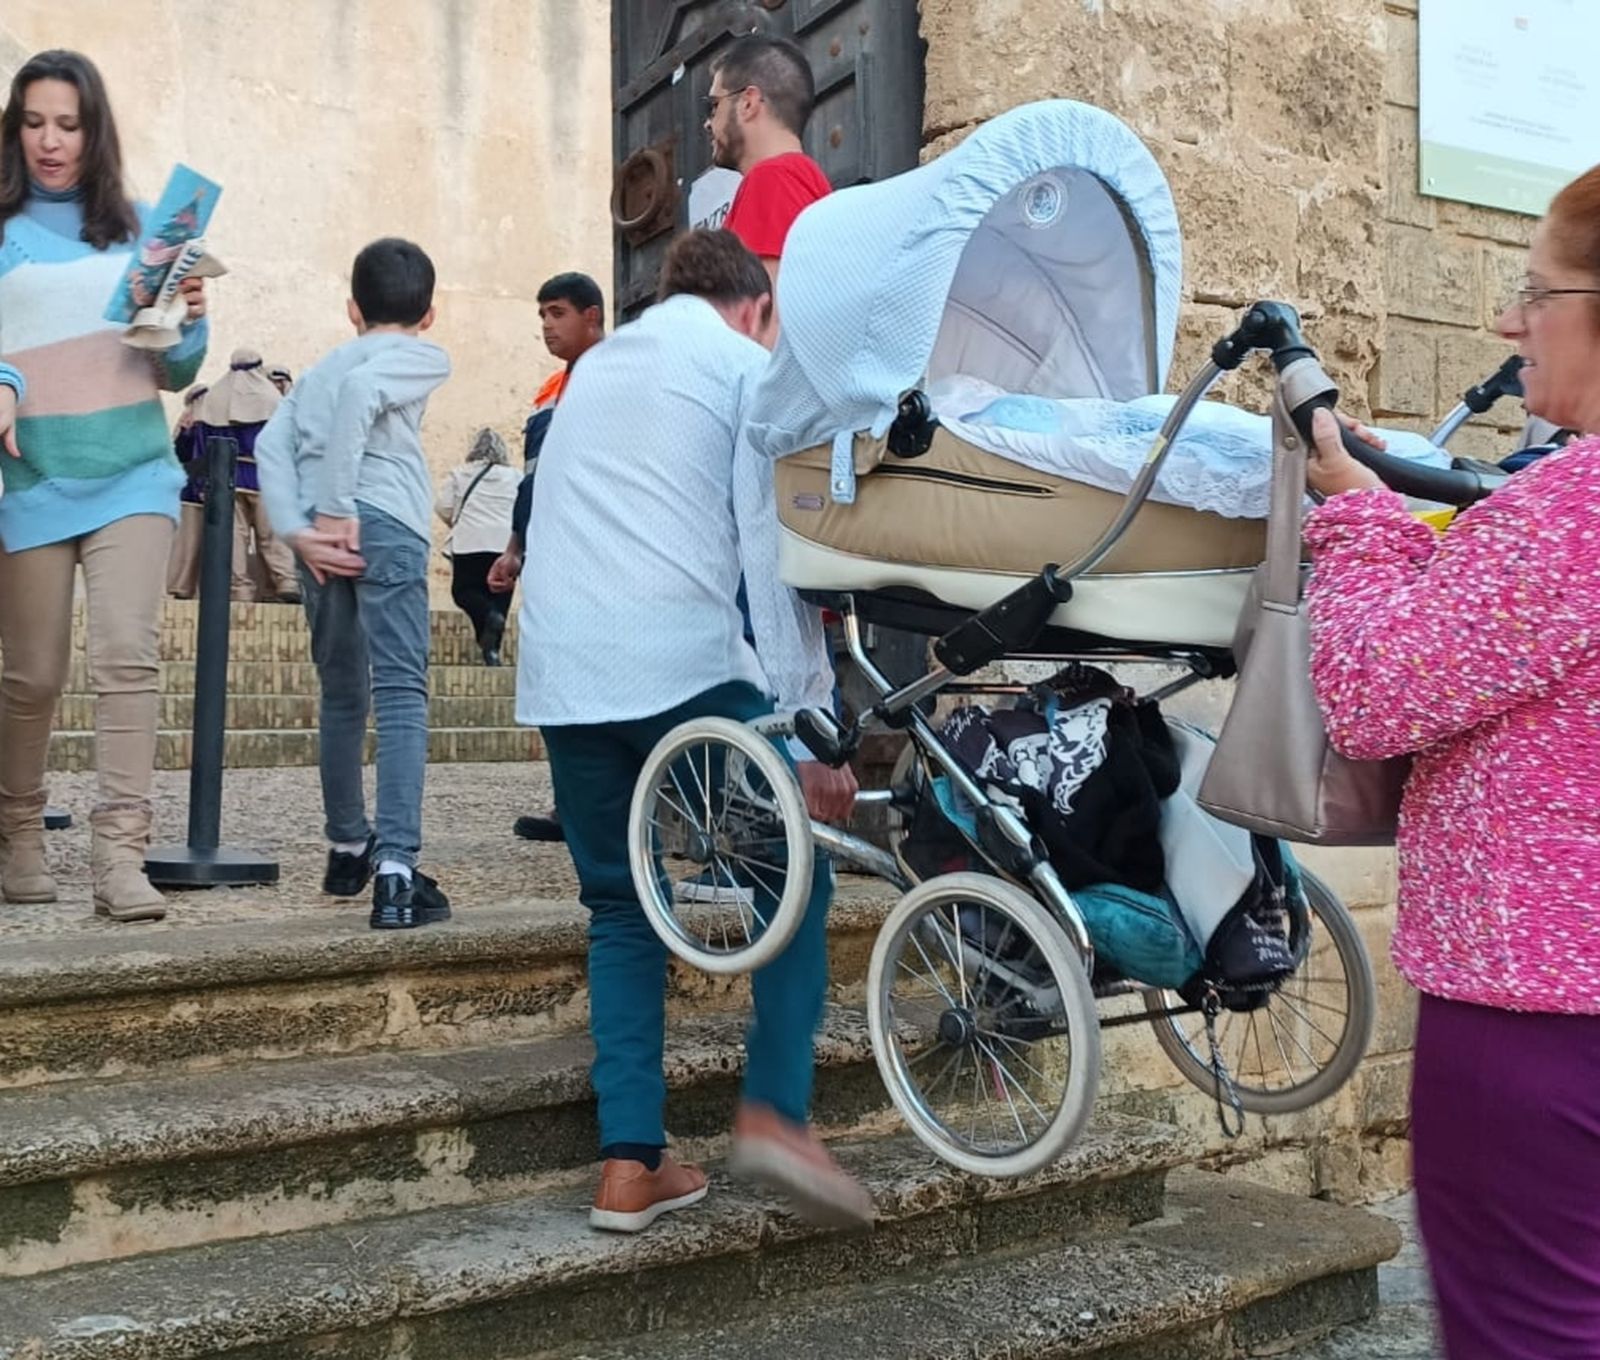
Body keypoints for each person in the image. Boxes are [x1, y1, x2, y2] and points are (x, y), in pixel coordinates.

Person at [1303, 164, 1600, 1360]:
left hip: (1535, 1025)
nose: (1505, 322)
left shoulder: (1572, 513)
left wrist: (1356, 513)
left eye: (1535, 291)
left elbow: (1374, 694)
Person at [517, 228, 869, 1234]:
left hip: (565, 672)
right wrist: (810, 735)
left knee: (622, 907)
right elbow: (769, 556)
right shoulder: (740, 368)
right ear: (759, 307)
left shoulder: (592, 371)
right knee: (791, 881)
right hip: (681, 663)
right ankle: (776, 1113)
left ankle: (629, 1163)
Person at [0, 50, 209, 923]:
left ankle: (121, 854)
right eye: (34, 122)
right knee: (32, 675)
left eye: (69, 123)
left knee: (128, 657)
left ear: (95, 130)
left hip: (133, 471)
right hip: (30, 474)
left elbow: (176, 370)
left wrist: (189, 317)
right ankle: (15, 835)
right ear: (16, 129)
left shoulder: (142, 229)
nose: (51, 142)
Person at [255, 238, 453, 931]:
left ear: (351, 309)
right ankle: (396, 869)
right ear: (429, 314)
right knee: (401, 693)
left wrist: (300, 527)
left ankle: (347, 847)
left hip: (318, 538)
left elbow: (268, 446)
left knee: (342, 691)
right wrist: (341, 506)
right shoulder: (424, 355)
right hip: (384, 524)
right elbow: (369, 397)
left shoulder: (316, 371)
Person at [490, 271, 606, 844]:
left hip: (601, 561)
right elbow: (532, 481)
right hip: (552, 561)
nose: (546, 326)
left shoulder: (618, 381)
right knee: (559, 684)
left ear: (592, 316)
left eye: (557, 313)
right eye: (541, 316)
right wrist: (514, 549)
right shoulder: (550, 393)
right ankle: (572, 804)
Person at [706, 34, 831, 295]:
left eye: (714, 106)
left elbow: (765, 320)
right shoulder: (799, 178)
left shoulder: (772, 179)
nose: (708, 123)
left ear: (748, 102)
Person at [192, 347, 299, 603]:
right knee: (272, 534)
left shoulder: (213, 398)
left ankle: (240, 590)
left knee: (233, 539)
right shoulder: (272, 399)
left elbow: (201, 445)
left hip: (226, 480)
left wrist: (201, 483)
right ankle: (285, 581)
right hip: (265, 478)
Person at [435, 426, 518, 665]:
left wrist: (460, 520)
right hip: (504, 545)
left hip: (469, 543)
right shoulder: (514, 476)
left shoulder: (460, 473)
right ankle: (492, 653)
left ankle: (489, 622)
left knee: (464, 592)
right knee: (499, 597)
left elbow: (443, 506)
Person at [167, 384, 209, 599]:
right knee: (188, 545)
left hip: (212, 495)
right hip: (191, 496)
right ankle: (182, 587)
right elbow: (180, 457)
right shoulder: (187, 427)